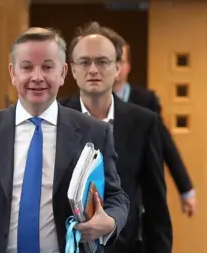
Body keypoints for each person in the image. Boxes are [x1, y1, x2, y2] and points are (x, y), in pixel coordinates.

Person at [0, 27, 129, 253]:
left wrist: (111, 221)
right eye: (27, 67)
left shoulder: (94, 132)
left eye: (47, 67)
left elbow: (117, 197)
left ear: (63, 73)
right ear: (13, 73)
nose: (37, 77)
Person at [59, 22, 172, 253]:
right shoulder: (55, 118)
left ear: (118, 68)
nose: (93, 70)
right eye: (84, 62)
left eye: (102, 62)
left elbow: (156, 203)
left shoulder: (143, 122)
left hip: (125, 246)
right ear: (72, 69)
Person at [113, 43, 197, 217]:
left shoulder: (145, 100)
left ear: (128, 66)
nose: (116, 67)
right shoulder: (88, 100)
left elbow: (165, 142)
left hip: (136, 189)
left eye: (120, 62)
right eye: (110, 61)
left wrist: (186, 189)